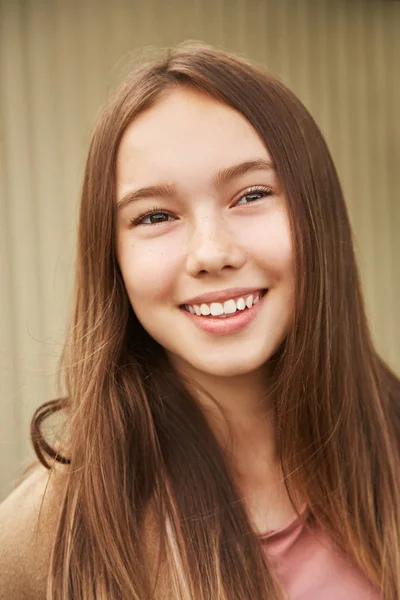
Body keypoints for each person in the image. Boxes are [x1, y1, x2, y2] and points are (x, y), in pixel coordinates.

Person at [0, 43, 399, 600]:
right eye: (156, 216)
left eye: (252, 194)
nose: (211, 253)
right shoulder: (45, 539)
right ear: (111, 257)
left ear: (318, 216)